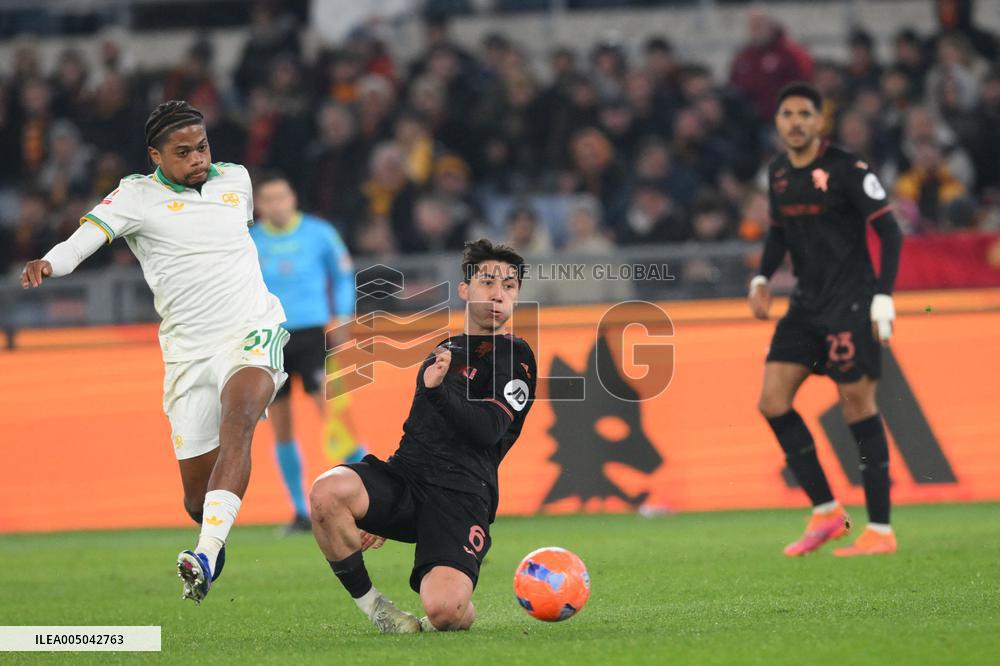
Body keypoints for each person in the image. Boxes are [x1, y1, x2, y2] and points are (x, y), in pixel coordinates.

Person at [20, 100, 288, 602]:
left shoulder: (238, 181)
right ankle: (212, 532)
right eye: (182, 152)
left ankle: (204, 554)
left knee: (241, 420)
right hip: (188, 352)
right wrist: (51, 263)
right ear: (155, 156)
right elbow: (85, 240)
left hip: (252, 329)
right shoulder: (135, 196)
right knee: (196, 497)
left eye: (202, 146)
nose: (197, 159)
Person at [309, 239, 536, 633]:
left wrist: (438, 392)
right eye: (488, 282)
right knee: (326, 492)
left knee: (445, 613)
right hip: (408, 478)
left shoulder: (516, 357)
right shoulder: (443, 351)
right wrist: (382, 505)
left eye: (510, 286)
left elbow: (489, 430)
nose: (499, 294)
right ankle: (377, 609)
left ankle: (454, 600)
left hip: (462, 495)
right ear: (465, 290)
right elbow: (418, 431)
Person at [749, 83, 903, 557]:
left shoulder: (847, 169)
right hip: (805, 307)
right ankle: (826, 511)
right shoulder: (777, 173)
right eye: (787, 114)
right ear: (777, 123)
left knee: (857, 406)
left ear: (820, 122)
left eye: (804, 114)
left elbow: (890, 232)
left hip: (851, 304)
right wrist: (761, 276)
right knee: (773, 401)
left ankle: (880, 529)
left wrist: (882, 297)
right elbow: (778, 234)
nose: (795, 122)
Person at [250, 172, 365, 534]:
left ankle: (370, 491)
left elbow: (344, 274)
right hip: (269, 339)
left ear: (293, 198)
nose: (277, 205)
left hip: (313, 334)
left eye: (282, 197)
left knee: (332, 414)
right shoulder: (250, 242)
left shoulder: (318, 233)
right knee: (280, 426)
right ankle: (300, 511)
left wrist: (345, 314)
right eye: (269, 199)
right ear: (259, 205)